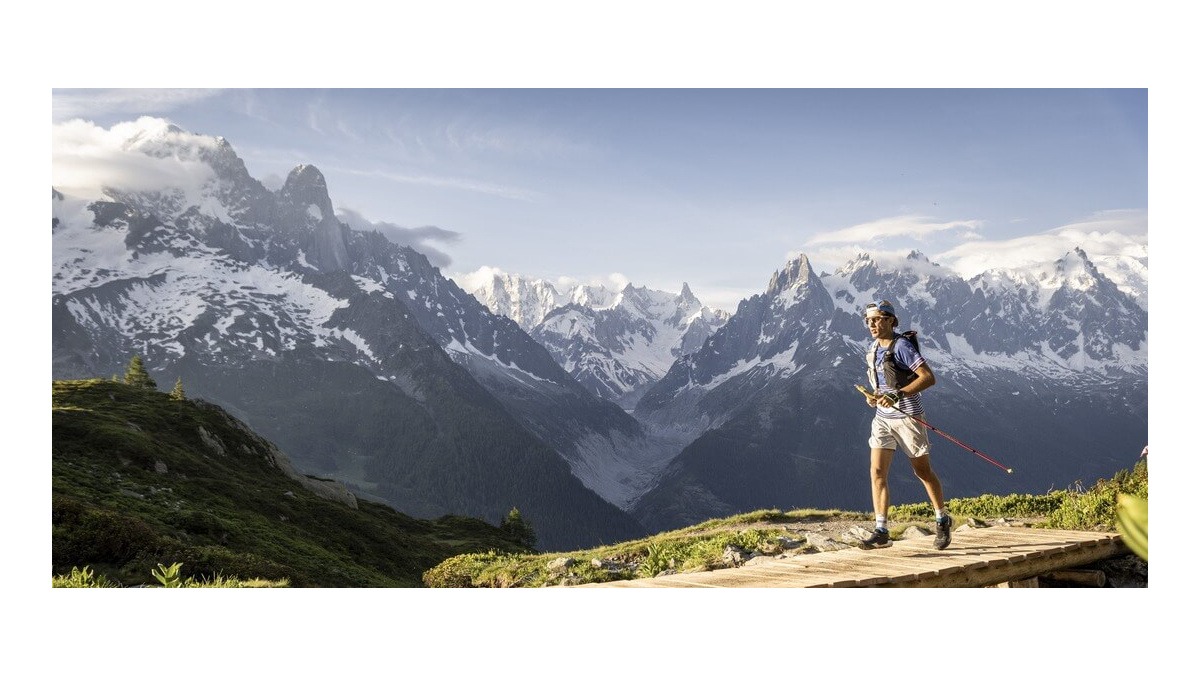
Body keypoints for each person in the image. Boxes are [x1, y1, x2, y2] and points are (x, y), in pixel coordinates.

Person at [858, 300, 952, 550]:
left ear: (891, 320)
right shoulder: (873, 348)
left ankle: (942, 519)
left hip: (909, 417)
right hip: (882, 419)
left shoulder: (902, 347)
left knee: (922, 472)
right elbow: (884, 386)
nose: (872, 324)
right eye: (868, 320)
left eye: (877, 319)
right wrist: (875, 397)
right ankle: (881, 531)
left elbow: (928, 378)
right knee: (876, 473)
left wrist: (897, 395)